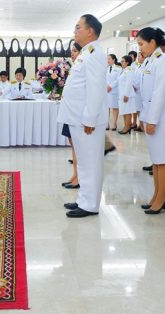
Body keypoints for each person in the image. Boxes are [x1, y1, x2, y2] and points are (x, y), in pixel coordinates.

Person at [58, 14, 108, 218]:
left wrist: (89, 118)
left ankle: (90, 205)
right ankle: (83, 199)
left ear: (90, 31)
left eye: (78, 27)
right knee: (84, 162)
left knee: (90, 163)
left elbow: (96, 89)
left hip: (87, 120)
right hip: (78, 117)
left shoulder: (94, 54)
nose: (75, 31)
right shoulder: (86, 52)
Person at [137, 27, 165, 214]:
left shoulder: (162, 61)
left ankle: (161, 199)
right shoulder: (150, 61)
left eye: (141, 44)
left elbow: (159, 93)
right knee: (156, 160)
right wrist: (143, 118)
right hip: (151, 116)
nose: (140, 48)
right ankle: (157, 195)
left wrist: (152, 120)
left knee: (162, 160)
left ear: (152, 42)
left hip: (161, 118)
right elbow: (143, 91)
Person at [62, 42, 83, 189]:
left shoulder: (82, 66)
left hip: (77, 112)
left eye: (75, 51)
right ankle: (75, 175)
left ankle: (79, 178)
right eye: (72, 51)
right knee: (73, 144)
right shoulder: (74, 66)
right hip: (70, 111)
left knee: (78, 146)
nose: (72, 54)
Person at [117, 55, 137, 133]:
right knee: (124, 112)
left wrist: (126, 95)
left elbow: (129, 83)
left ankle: (127, 127)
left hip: (127, 95)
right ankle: (125, 126)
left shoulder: (130, 70)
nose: (121, 62)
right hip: (122, 95)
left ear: (127, 62)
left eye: (123, 61)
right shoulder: (124, 70)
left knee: (127, 112)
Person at [106, 54, 121, 131]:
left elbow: (118, 79)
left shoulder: (118, 68)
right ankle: (107, 123)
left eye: (109, 59)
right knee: (106, 108)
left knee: (115, 107)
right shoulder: (106, 68)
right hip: (106, 90)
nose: (107, 60)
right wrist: (106, 86)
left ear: (113, 60)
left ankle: (114, 123)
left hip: (114, 90)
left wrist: (111, 86)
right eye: (107, 59)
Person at [132, 51, 145, 133]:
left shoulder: (145, 67)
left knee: (141, 109)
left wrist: (135, 86)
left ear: (144, 57)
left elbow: (141, 79)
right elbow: (134, 77)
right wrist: (133, 85)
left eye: (139, 56)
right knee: (137, 108)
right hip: (135, 91)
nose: (138, 58)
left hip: (140, 91)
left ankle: (142, 125)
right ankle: (140, 125)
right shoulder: (138, 66)